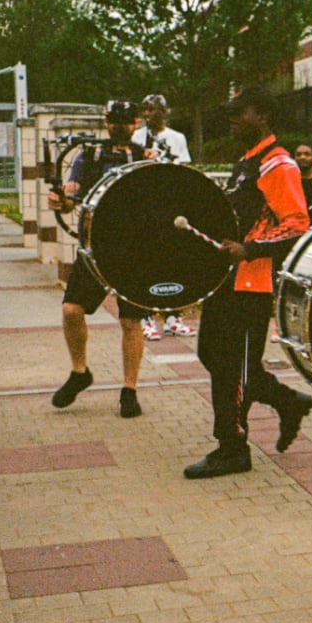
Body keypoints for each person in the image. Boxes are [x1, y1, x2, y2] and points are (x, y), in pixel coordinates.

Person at [183, 86, 312, 479]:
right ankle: (287, 401)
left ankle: (233, 447)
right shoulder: (247, 162)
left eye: (241, 113)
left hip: (250, 283)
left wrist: (251, 248)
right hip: (225, 281)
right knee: (214, 356)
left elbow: (298, 223)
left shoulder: (278, 164)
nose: (233, 119)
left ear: (263, 115)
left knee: (236, 369)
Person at [49, 99, 148, 419]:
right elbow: (70, 197)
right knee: (71, 310)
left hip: (133, 252)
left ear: (136, 122)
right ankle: (80, 372)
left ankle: (129, 390)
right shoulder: (88, 156)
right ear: (106, 121)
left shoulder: (145, 158)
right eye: (114, 120)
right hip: (94, 248)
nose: (120, 126)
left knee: (131, 321)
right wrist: (60, 200)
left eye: (126, 120)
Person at [133, 93, 196, 342]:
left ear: (163, 112)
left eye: (153, 110)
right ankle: (146, 318)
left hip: (170, 205)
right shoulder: (137, 138)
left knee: (172, 261)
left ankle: (173, 317)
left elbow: (184, 168)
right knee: (147, 262)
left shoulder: (176, 138)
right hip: (146, 206)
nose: (148, 114)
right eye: (145, 110)